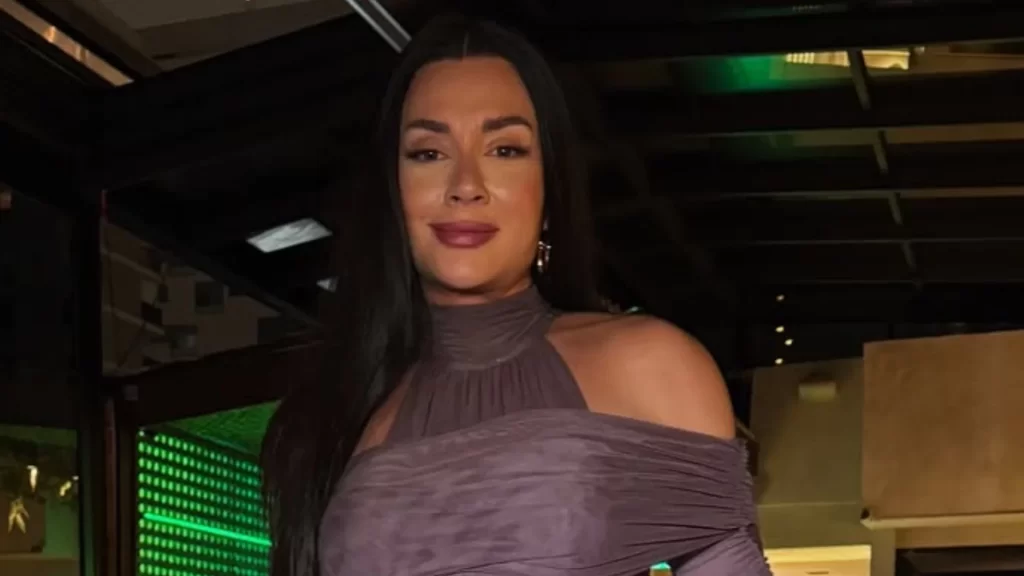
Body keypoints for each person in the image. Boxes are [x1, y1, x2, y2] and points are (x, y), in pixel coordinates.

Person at [261, 14, 770, 576]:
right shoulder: (335, 414)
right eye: (428, 153)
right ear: (394, 192)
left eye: (505, 150)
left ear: (549, 190)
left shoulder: (651, 366)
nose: (465, 186)